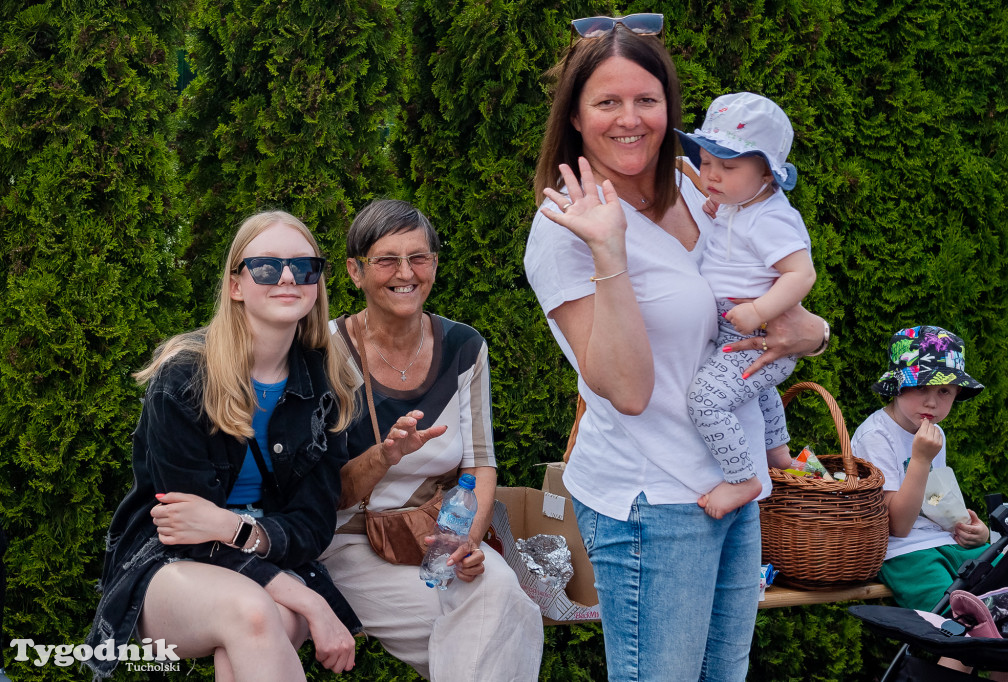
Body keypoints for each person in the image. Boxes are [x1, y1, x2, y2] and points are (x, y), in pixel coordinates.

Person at [524, 14, 830, 682]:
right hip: (652, 503)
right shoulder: (564, 232)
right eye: (606, 102)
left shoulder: (702, 185)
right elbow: (627, 389)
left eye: (646, 100)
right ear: (575, 117)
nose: (629, 119)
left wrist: (813, 334)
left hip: (734, 486)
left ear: (670, 109)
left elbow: (773, 300)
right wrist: (610, 249)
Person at [85, 211, 361, 681]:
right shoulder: (185, 378)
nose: (289, 276)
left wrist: (231, 526)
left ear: (317, 282)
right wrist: (313, 600)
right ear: (236, 285)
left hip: (258, 559)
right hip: (168, 567)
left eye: (305, 266)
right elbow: (183, 534)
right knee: (255, 613)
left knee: (266, 627)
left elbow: (313, 525)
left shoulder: (325, 385)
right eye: (268, 267)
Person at [319, 199, 543, 681]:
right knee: (494, 636)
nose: (406, 273)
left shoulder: (465, 346)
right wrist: (383, 457)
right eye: (386, 260)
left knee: (502, 597)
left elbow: (481, 463)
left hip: (435, 541)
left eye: (418, 258)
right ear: (355, 272)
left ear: (435, 266)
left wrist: (465, 543)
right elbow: (323, 491)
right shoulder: (324, 351)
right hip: (348, 544)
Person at [678, 92, 817, 519]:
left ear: (767, 175)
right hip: (739, 331)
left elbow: (801, 273)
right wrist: (719, 205)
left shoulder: (772, 217)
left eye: (729, 167)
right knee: (759, 392)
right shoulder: (740, 205)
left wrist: (759, 312)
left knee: (706, 400)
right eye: (706, 163)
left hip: (754, 335)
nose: (712, 175)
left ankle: (742, 478)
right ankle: (778, 454)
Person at [850, 325, 989, 611]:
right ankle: (956, 657)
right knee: (957, 620)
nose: (932, 402)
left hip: (943, 541)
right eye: (921, 386)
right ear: (897, 385)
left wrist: (972, 530)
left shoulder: (934, 433)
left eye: (945, 391)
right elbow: (898, 527)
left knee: (1006, 582)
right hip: (904, 553)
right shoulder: (876, 436)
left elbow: (935, 499)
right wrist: (921, 459)